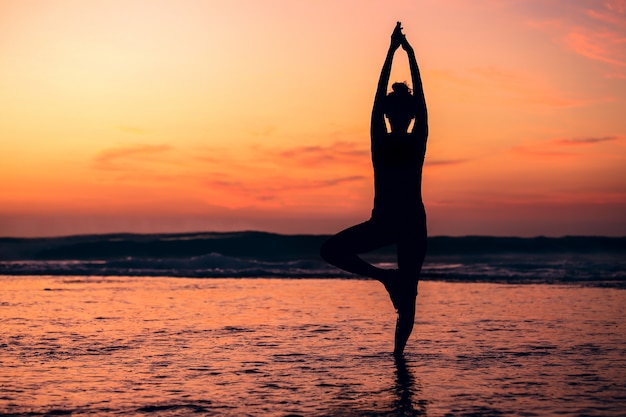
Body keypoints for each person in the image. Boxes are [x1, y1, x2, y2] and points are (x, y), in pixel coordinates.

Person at [320, 22, 428, 356]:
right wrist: (397, 51)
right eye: (391, 109)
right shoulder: (383, 138)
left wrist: (404, 53)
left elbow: (419, 98)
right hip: (388, 221)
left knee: (408, 299)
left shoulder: (413, 137)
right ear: (389, 112)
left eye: (401, 109)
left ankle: (398, 357)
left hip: (408, 224)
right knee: (331, 251)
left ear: (407, 114)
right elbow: (379, 97)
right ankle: (385, 279)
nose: (395, 112)